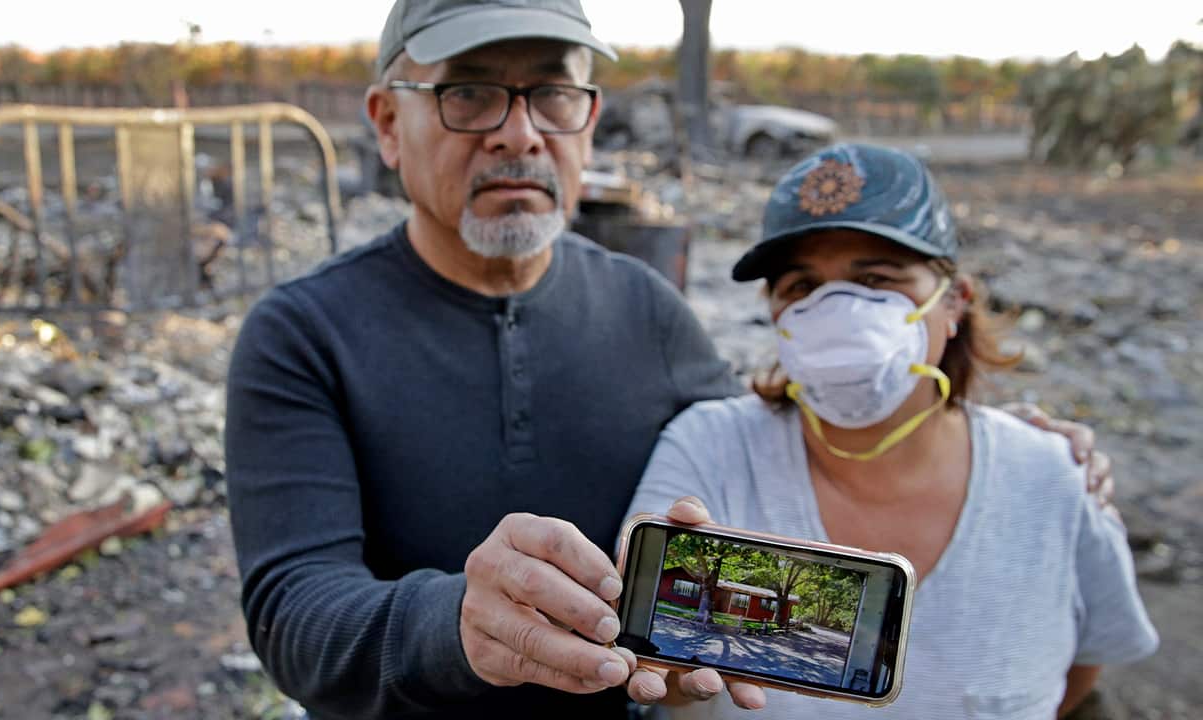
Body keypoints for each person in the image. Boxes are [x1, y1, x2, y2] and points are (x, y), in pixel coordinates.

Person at [225, 3, 1111, 717]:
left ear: (589, 120)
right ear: (387, 122)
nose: (518, 133)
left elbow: (777, 443)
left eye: (552, 95)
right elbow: (294, 613)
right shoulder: (303, 335)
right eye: (469, 95)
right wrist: (452, 625)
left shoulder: (647, 307)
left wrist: (999, 446)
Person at [623, 143, 1158, 719]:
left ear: (955, 302)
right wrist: (667, 660)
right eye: (802, 287)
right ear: (774, 311)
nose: (839, 312)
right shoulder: (708, 453)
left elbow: (1079, 676)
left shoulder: (1053, 479)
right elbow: (652, 667)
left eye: (876, 278)